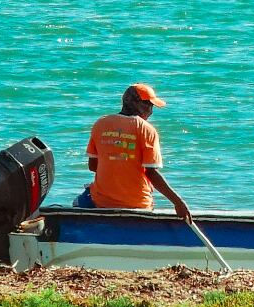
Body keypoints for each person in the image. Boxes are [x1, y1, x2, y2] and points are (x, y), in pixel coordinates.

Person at [73, 82, 193, 222]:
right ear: (135, 104)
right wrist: (178, 202)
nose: (151, 111)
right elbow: (151, 172)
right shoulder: (146, 130)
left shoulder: (101, 124)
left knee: (77, 202)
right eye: (148, 105)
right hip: (138, 204)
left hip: (102, 202)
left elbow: (93, 166)